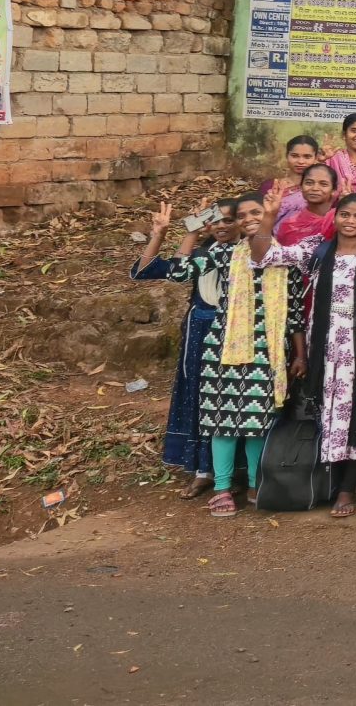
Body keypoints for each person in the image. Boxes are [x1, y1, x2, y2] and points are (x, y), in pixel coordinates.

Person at [254, 193, 356, 518]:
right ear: (335, 216)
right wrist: (268, 216)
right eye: (345, 214)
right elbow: (264, 257)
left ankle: (347, 489)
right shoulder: (317, 251)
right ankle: (328, 482)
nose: (350, 221)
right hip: (325, 352)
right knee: (330, 416)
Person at [133, 198, 247, 502]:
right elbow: (149, 271)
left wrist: (193, 231)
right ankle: (203, 469)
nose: (222, 226)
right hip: (200, 330)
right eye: (215, 220)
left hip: (235, 331)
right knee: (199, 395)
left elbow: (179, 272)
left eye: (229, 220)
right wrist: (165, 233)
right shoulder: (203, 254)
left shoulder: (246, 253)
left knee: (233, 398)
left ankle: (234, 471)